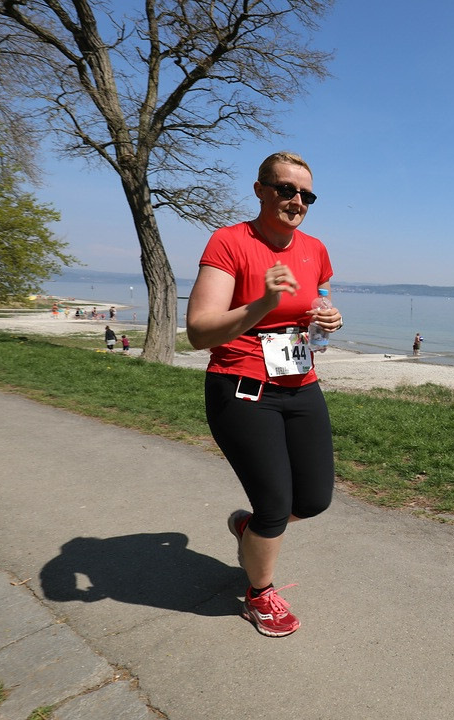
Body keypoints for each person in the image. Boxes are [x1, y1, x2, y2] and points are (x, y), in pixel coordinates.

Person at [186, 151, 342, 638]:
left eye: (306, 194)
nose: (297, 200)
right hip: (241, 387)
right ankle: (260, 594)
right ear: (260, 190)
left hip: (301, 384)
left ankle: (250, 528)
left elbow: (317, 313)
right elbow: (198, 331)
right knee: (275, 504)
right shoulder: (230, 242)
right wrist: (263, 303)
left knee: (314, 499)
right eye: (286, 189)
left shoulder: (314, 248)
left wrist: (327, 322)